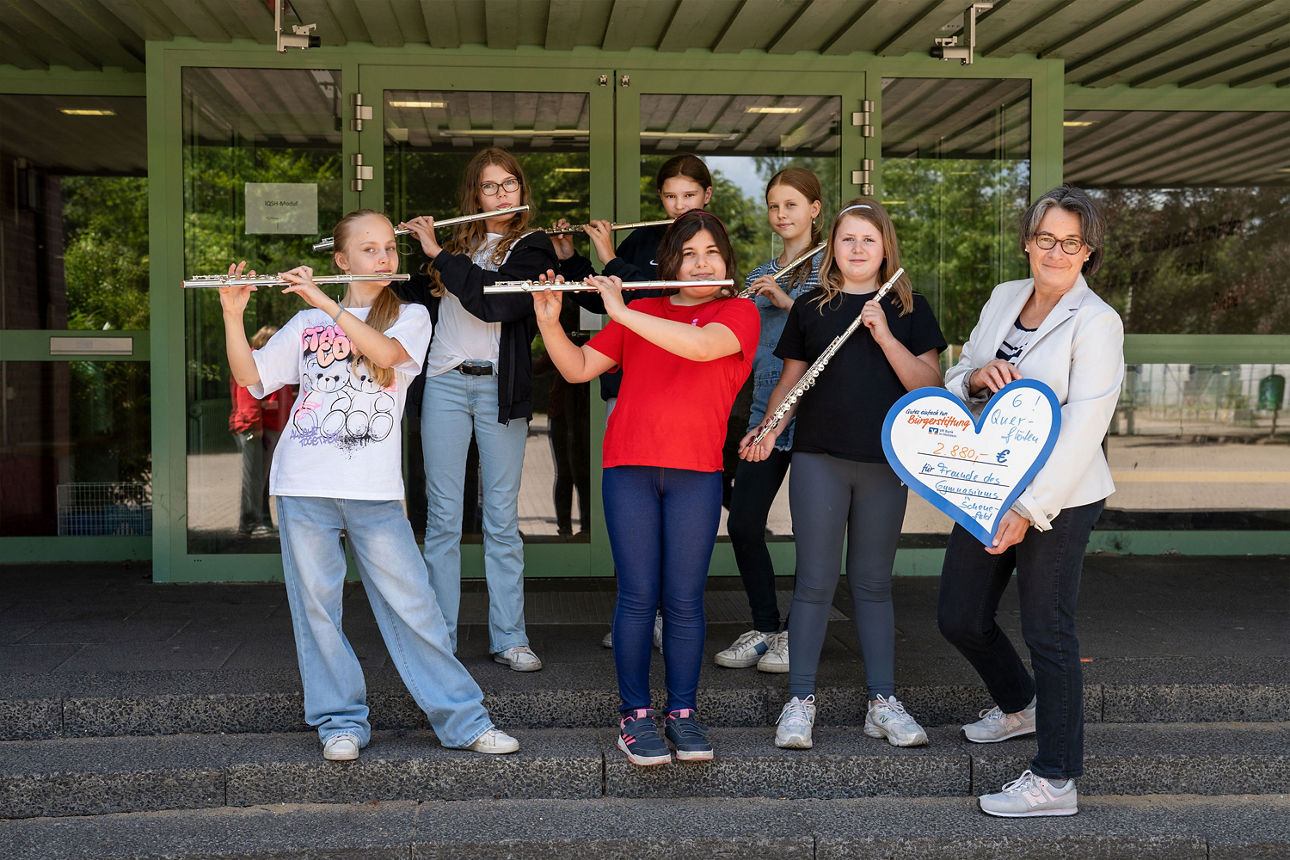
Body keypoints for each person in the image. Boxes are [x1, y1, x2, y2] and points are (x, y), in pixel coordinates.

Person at [219, 210, 518, 761]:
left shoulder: (411, 316)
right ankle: (339, 722)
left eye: (389, 248)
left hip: (374, 492)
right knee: (317, 612)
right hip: (303, 484)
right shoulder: (306, 323)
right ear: (341, 260)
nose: (383, 258)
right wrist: (232, 315)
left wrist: (325, 304)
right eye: (369, 249)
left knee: (415, 608)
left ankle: (464, 721)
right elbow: (251, 378)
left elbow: (385, 355)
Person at [533, 210, 758, 766]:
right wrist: (549, 322)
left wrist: (620, 311)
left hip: (696, 474)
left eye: (712, 253)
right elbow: (579, 367)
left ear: (727, 260)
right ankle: (634, 716)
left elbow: (700, 347)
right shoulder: (643, 310)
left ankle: (682, 713)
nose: (701, 264)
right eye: (689, 254)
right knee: (637, 596)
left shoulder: (739, 311)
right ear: (670, 262)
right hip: (628, 468)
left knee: (683, 599)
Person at [937, 186, 1123, 818]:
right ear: (1027, 241)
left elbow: (1085, 427)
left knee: (1049, 630)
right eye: (1047, 238)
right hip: (991, 482)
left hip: (1061, 496)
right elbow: (958, 374)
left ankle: (1056, 779)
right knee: (960, 616)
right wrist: (974, 377)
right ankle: (1020, 705)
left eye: (1072, 242)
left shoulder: (1097, 322)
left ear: (1088, 252)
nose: (1057, 252)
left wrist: (1029, 510)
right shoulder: (1004, 297)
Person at [742, 198, 946, 751]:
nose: (857, 249)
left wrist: (884, 335)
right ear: (832, 246)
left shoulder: (909, 307)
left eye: (868, 240)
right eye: (847, 238)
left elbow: (930, 388)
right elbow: (790, 381)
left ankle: (882, 703)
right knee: (814, 581)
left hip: (885, 463)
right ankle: (799, 701)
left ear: (886, 248)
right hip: (819, 459)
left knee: (873, 584)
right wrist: (767, 429)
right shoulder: (810, 306)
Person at [397, 147, 559, 673]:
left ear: (521, 189)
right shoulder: (453, 246)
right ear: (475, 194)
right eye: (490, 186)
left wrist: (437, 253)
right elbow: (406, 295)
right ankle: (439, 637)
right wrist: (375, 256)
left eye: (510, 184)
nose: (502, 194)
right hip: (444, 383)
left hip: (497, 389)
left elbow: (495, 302)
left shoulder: (533, 247)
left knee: (501, 519)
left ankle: (510, 637)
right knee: (443, 518)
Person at [552, 153, 715, 650]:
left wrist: (608, 257)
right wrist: (571, 259)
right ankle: (641, 613)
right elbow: (609, 303)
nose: (679, 206)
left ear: (707, 196)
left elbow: (652, 300)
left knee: (677, 523)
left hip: (686, 395)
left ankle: (670, 614)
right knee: (638, 521)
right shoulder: (644, 240)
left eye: (689, 195)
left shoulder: (709, 245)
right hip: (629, 387)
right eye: (670, 197)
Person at [716, 167, 825, 674]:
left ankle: (798, 635)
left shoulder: (834, 267)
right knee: (743, 522)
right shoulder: (762, 269)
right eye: (773, 206)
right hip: (765, 409)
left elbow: (835, 333)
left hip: (819, 412)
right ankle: (765, 627)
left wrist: (787, 302)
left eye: (791, 205)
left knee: (812, 533)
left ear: (815, 210)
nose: (781, 215)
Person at [228, 325, 290, 538]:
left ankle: (261, 521)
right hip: (255, 429)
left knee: (261, 478)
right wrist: (256, 427)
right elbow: (247, 398)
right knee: (253, 479)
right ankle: (249, 524)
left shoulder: (270, 363)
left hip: (268, 428)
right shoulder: (252, 361)